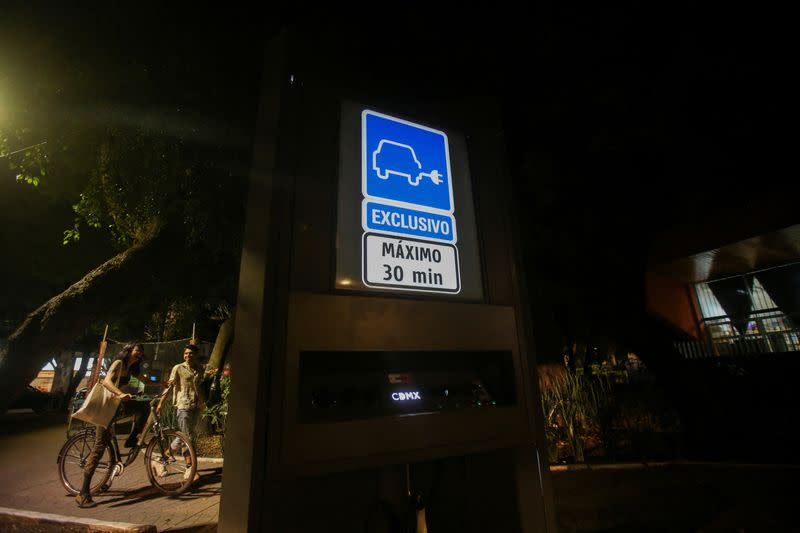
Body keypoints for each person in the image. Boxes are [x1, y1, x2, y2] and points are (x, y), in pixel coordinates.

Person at [76, 342, 147, 508]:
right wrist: (121, 393)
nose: (140, 354)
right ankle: (83, 492)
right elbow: (107, 381)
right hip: (106, 407)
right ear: (130, 350)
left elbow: (141, 383)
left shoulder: (131, 369)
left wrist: (162, 384)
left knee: (144, 405)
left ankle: (132, 438)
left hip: (117, 406)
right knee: (99, 447)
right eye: (138, 350)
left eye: (141, 352)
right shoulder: (118, 363)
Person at [165, 343, 205, 481]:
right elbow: (170, 385)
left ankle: (162, 457)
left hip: (195, 406)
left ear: (196, 355)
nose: (187, 355)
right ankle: (189, 468)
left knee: (184, 435)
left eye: (190, 353)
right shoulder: (178, 368)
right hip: (183, 405)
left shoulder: (200, 369)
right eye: (186, 353)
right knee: (187, 438)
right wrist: (161, 403)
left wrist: (203, 404)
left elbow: (199, 388)